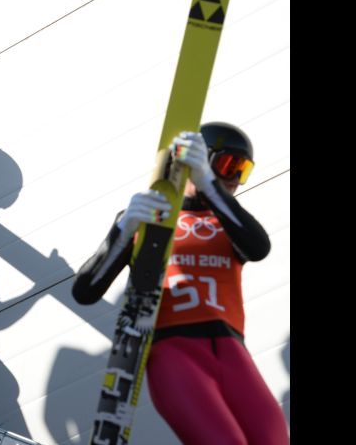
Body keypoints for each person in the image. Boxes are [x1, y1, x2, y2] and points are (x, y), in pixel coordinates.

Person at [72, 122, 288, 444]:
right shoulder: (150, 217)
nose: (233, 181)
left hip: (230, 348)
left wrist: (208, 182)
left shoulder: (228, 221)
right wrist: (123, 229)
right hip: (174, 350)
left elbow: (259, 248)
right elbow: (86, 292)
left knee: (273, 439)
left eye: (242, 171)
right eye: (229, 166)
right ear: (197, 160)